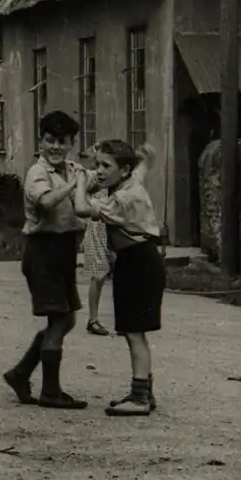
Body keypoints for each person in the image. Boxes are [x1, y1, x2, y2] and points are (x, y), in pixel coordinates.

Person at [2, 109, 88, 410]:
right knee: (60, 319)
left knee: (65, 319)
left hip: (64, 250)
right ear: (41, 141)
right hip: (42, 251)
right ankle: (50, 391)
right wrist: (74, 184)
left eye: (62, 141)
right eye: (50, 140)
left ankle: (20, 373)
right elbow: (48, 201)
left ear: (71, 143)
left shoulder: (71, 169)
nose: (55, 147)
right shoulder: (37, 173)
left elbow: (92, 188)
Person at [76, 140, 166, 416]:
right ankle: (143, 391)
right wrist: (146, 159)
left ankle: (139, 398)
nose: (99, 171)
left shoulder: (122, 199)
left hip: (140, 262)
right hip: (136, 260)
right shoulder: (129, 182)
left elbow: (81, 209)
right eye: (97, 165)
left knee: (134, 331)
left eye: (106, 166)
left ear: (123, 170)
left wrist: (79, 180)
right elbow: (141, 169)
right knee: (131, 328)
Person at [77, 147, 113, 336]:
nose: (100, 168)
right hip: (98, 228)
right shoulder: (90, 177)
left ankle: (124, 320)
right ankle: (93, 319)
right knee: (98, 275)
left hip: (115, 228)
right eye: (97, 163)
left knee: (122, 275)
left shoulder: (117, 178)